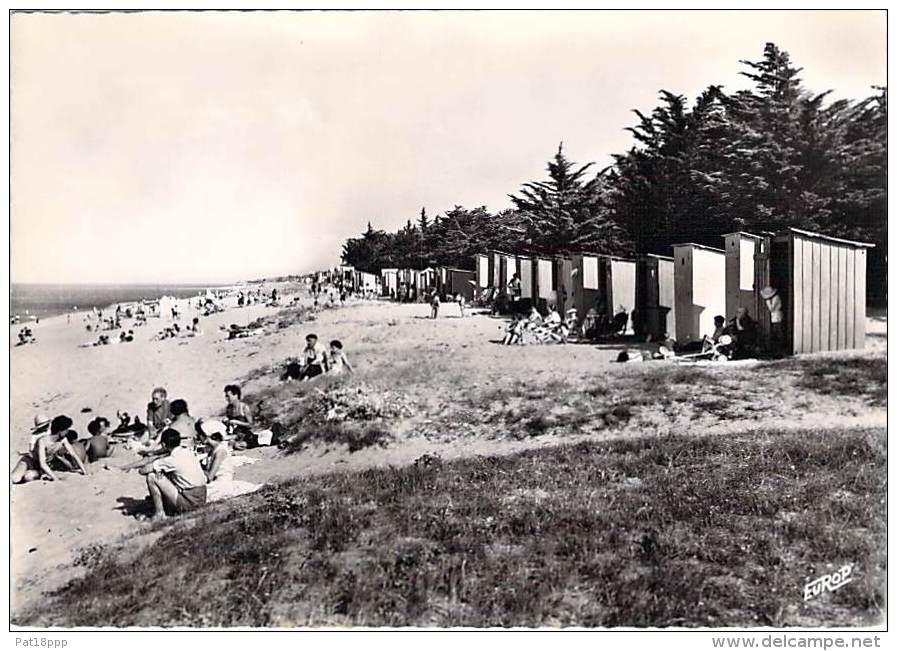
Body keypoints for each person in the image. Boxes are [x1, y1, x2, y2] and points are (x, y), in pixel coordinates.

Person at [136, 429, 207, 522]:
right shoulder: (188, 452)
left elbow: (142, 470)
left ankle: (159, 514)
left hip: (189, 502)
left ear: (164, 445)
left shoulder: (171, 459)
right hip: (201, 497)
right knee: (167, 474)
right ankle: (165, 509)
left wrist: (156, 464)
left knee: (152, 477)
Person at [11, 415, 90, 483]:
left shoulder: (63, 440)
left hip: (39, 468)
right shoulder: (42, 441)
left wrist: (84, 471)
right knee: (15, 478)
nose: (67, 431)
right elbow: (43, 463)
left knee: (28, 477)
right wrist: (56, 479)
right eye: (66, 429)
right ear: (60, 430)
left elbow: (74, 455)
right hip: (29, 461)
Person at [761, 286, 785, 357]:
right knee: (776, 333)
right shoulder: (774, 298)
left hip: (777, 316)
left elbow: (771, 308)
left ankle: (780, 351)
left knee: (778, 333)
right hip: (775, 317)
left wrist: (767, 302)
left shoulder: (776, 298)